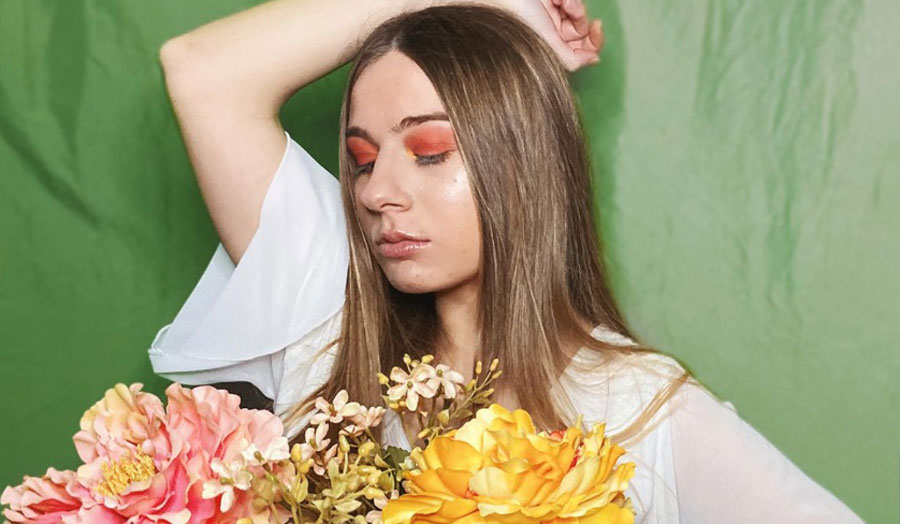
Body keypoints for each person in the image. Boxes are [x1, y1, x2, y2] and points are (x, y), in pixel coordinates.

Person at [151, 0, 864, 521]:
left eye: (430, 153)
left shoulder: (639, 409)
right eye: (363, 160)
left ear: (525, 163)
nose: (378, 193)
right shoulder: (328, 317)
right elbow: (202, 73)